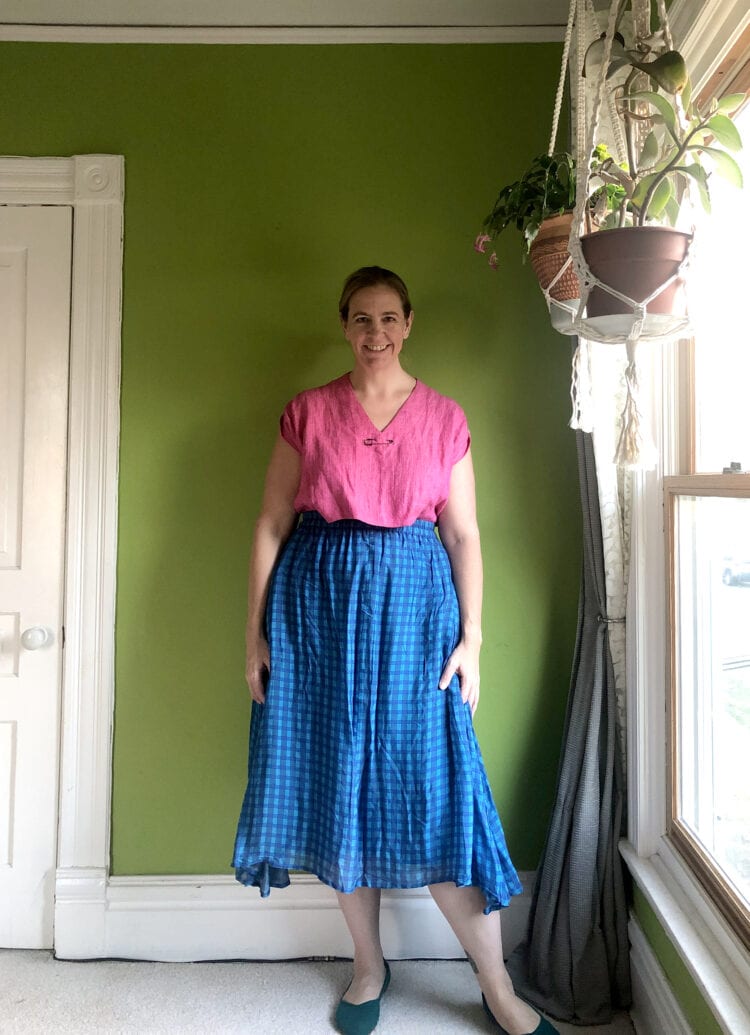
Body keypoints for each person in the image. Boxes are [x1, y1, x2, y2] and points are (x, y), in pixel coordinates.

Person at [232, 267, 558, 1035]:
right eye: (360, 318)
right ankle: (369, 965)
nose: (374, 332)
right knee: (337, 782)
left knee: (438, 792)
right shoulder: (308, 413)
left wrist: (472, 639)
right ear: (344, 325)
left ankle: (495, 985)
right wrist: (253, 631)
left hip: (416, 616)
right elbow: (271, 523)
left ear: (408, 322)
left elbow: (464, 533)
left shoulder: (445, 417)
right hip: (319, 614)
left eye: (387, 317)